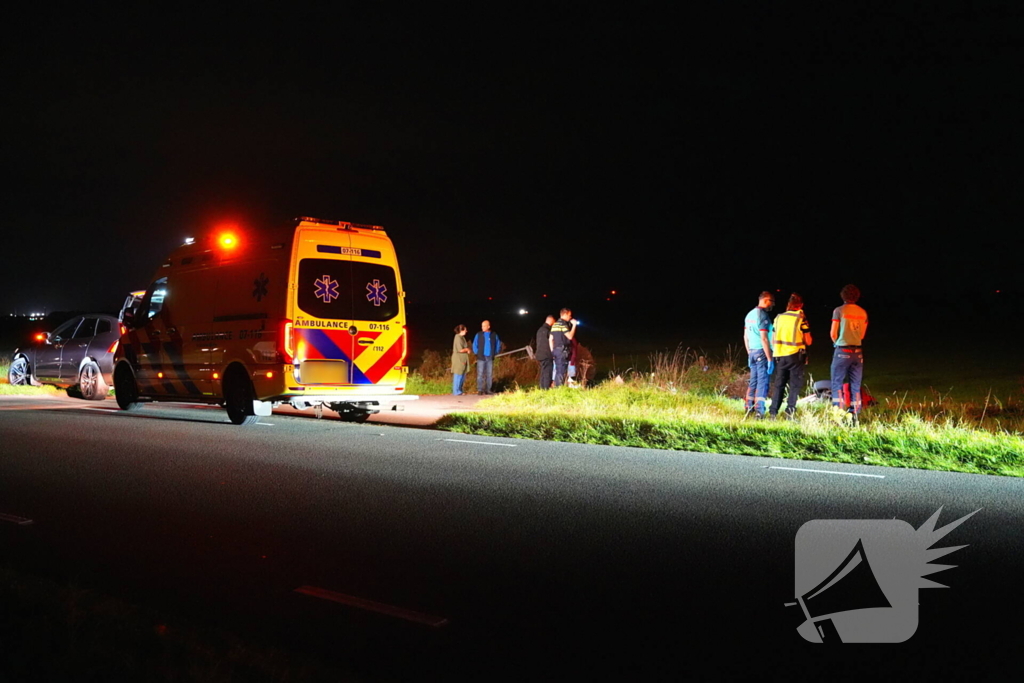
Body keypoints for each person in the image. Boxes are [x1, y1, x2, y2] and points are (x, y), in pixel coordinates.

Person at [770, 293, 812, 418]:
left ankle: (773, 413)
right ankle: (790, 412)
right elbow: (809, 340)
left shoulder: (778, 317)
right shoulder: (801, 318)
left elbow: (773, 338)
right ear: (801, 305)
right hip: (795, 356)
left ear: (788, 304)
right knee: (794, 385)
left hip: (779, 355)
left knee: (779, 385)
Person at [830, 284, 868, 424]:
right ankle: (855, 413)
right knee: (855, 384)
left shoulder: (839, 311)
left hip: (842, 350)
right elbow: (862, 334)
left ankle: (838, 414)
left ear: (843, 295)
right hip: (857, 351)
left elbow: (833, 333)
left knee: (837, 383)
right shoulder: (863, 313)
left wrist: (837, 342)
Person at [743, 291, 775, 418]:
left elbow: (745, 336)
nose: (773, 305)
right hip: (762, 352)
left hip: (752, 351)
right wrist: (769, 359)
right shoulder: (762, 316)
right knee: (762, 382)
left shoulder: (749, 314)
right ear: (766, 300)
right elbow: (764, 338)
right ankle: (759, 411)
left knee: (753, 381)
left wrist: (749, 352)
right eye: (772, 302)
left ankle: (748, 406)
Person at [472, 320, 501, 395]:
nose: (482, 327)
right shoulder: (479, 334)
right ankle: (480, 389)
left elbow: (498, 344)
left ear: (488, 326)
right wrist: (477, 353)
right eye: (482, 326)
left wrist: (495, 352)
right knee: (480, 374)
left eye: (484, 326)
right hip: (481, 357)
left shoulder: (494, 335)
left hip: (490, 357)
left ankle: (488, 389)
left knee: (489, 374)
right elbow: (475, 344)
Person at [550, 308, 578, 387]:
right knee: (561, 371)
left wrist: (553, 351)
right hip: (562, 351)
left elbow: (550, 339)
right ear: (564, 314)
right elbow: (570, 336)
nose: (570, 317)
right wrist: (574, 325)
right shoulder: (563, 324)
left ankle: (558, 387)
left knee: (558, 370)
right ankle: (559, 389)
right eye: (569, 315)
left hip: (556, 350)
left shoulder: (555, 324)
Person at [535, 315, 555, 389]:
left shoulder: (540, 330)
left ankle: (542, 388)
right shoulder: (548, 331)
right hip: (547, 354)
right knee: (547, 372)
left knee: (543, 372)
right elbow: (551, 341)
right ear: (551, 321)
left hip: (539, 354)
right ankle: (546, 389)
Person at [451, 324, 471, 396]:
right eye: (465, 329)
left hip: (463, 359)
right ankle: (456, 391)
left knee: (462, 374)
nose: (466, 331)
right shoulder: (458, 337)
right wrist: (467, 349)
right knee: (458, 374)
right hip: (458, 359)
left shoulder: (462, 338)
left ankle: (459, 390)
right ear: (461, 330)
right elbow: (460, 349)